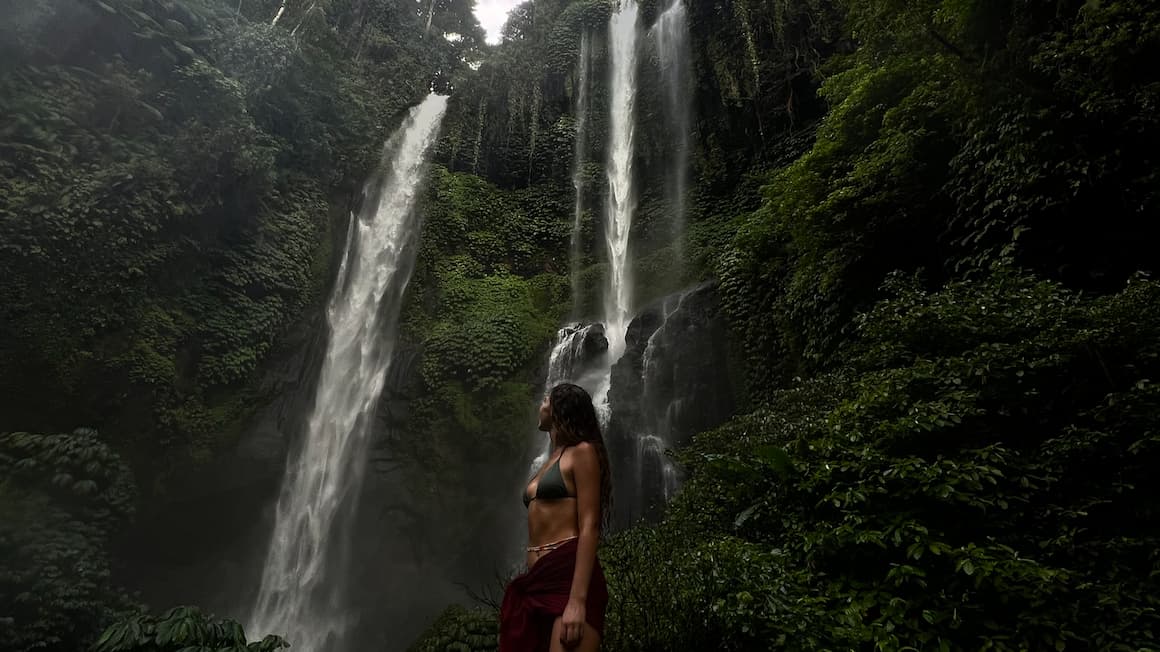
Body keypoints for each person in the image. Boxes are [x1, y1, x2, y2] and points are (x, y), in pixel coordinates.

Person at [500, 382, 613, 651]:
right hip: (538, 579)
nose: (541, 404)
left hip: (569, 577)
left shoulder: (583, 452)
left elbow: (590, 525)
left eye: (546, 400)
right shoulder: (550, 460)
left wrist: (577, 601)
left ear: (560, 409)